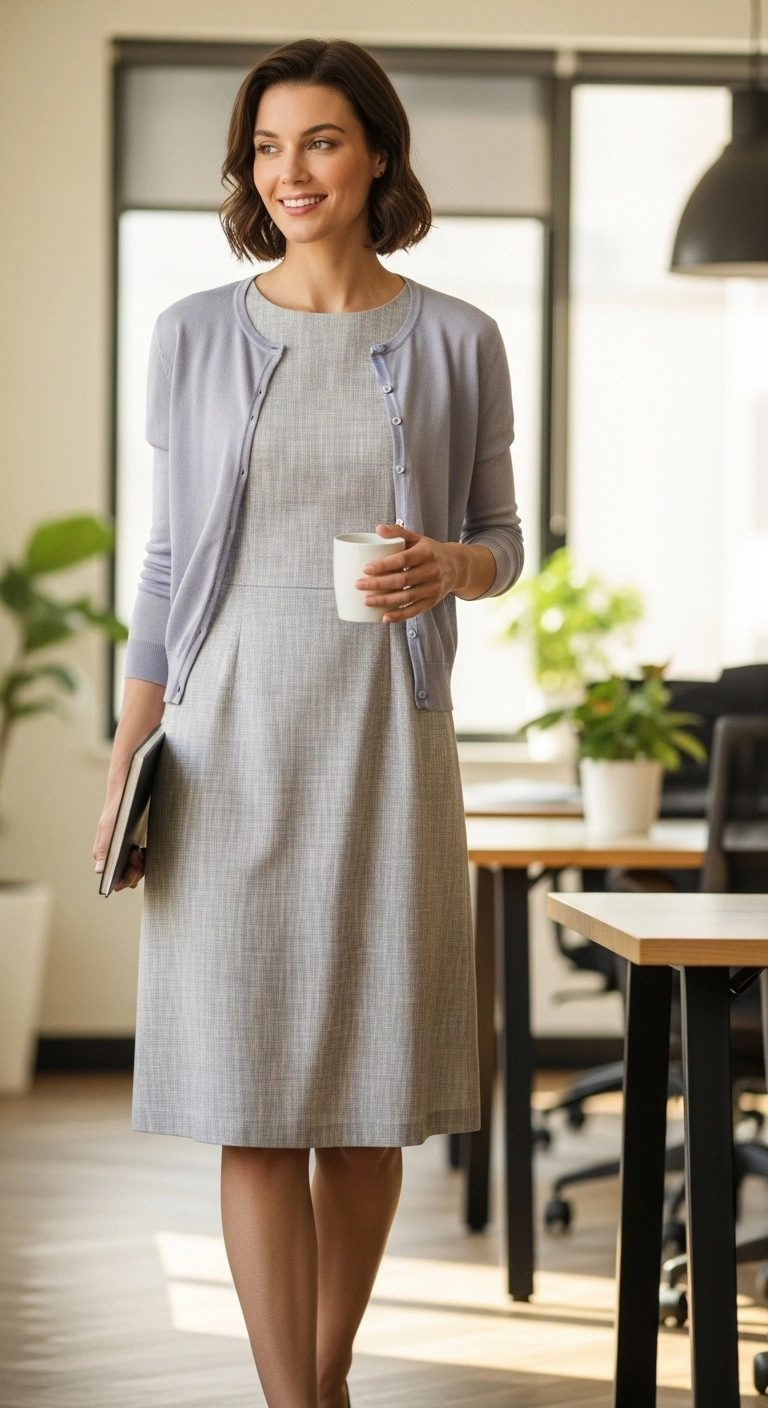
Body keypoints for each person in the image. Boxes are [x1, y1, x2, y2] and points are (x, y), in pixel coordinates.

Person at [94, 37, 523, 1408]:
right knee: (251, 1093)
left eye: (321, 142)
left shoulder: (458, 336)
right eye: (269, 147)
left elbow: (509, 542)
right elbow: (164, 566)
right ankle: (296, 1399)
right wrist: (126, 765)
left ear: (378, 153)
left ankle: (327, 1375)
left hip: (390, 746)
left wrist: (449, 567)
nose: (291, 171)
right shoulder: (190, 336)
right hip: (227, 747)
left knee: (369, 1088)